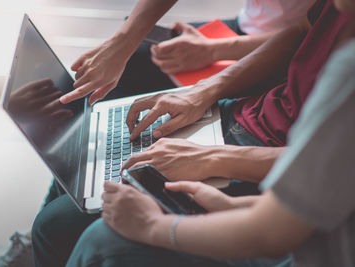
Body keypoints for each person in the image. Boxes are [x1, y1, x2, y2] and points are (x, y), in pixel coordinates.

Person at [32, 0, 351, 266]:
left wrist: (213, 158)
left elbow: (325, 174)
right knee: (90, 155)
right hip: (250, 115)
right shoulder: (337, 10)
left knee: (57, 225)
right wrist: (202, 90)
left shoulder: (346, 74)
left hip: (258, 154)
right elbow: (303, 31)